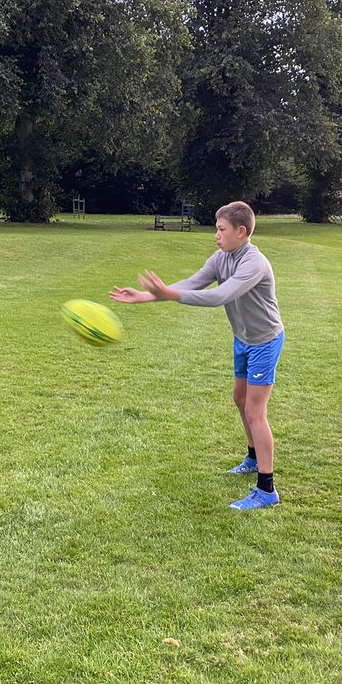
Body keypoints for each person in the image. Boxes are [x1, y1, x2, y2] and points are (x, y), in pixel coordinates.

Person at [110, 201, 285, 510]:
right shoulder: (222, 258)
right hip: (242, 339)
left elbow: (219, 296)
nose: (215, 235)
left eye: (221, 230)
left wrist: (169, 295)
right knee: (240, 400)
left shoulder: (253, 263)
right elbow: (194, 282)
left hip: (264, 341)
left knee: (256, 412)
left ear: (241, 232)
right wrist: (147, 297)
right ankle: (252, 458)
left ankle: (266, 488)